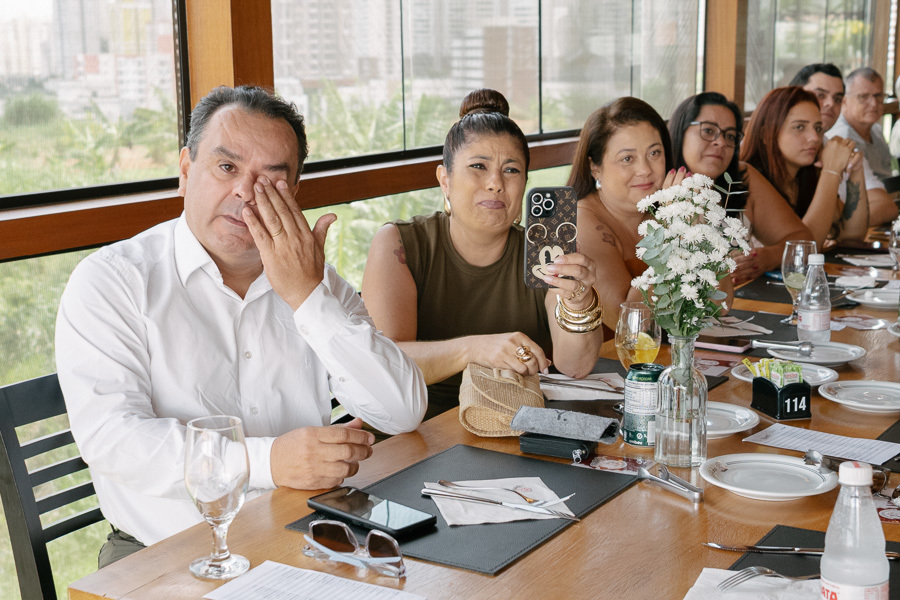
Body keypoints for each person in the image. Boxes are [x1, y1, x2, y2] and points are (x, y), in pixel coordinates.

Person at [55, 86, 427, 565]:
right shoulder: (113, 281)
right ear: (186, 171)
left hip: (300, 540)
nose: (245, 193)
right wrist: (267, 460)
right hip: (165, 556)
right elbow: (114, 440)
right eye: (227, 167)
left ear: (292, 194)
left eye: (272, 180)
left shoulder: (311, 279)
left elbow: (402, 411)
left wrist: (308, 298)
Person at [362, 89, 603, 420]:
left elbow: (575, 367)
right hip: (418, 428)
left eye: (511, 170)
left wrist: (579, 301)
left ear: (525, 183)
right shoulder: (399, 243)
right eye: (478, 166)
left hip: (512, 422)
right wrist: (474, 349)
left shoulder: (541, 253)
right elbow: (383, 362)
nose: (495, 183)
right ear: (444, 180)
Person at [567, 96, 733, 332]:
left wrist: (697, 229)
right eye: (627, 158)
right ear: (595, 166)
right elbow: (630, 325)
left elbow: (721, 303)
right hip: (612, 363)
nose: (645, 170)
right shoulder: (581, 222)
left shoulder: (663, 210)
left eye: (654, 153)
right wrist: (672, 233)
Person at [668, 92, 813, 284]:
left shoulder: (743, 178)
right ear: (680, 131)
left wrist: (767, 258)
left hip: (745, 303)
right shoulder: (659, 190)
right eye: (708, 131)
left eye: (730, 136)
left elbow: (803, 241)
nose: (720, 142)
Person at [740, 86, 869, 249]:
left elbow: (852, 236)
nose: (814, 138)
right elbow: (802, 250)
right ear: (766, 134)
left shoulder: (807, 177)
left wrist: (856, 170)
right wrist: (831, 171)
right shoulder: (748, 182)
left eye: (818, 128)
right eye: (799, 127)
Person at [790, 64, 898, 226]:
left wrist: (836, 229)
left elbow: (886, 206)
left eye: (837, 99)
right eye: (820, 95)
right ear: (791, 96)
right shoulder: (841, 135)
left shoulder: (839, 145)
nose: (830, 104)